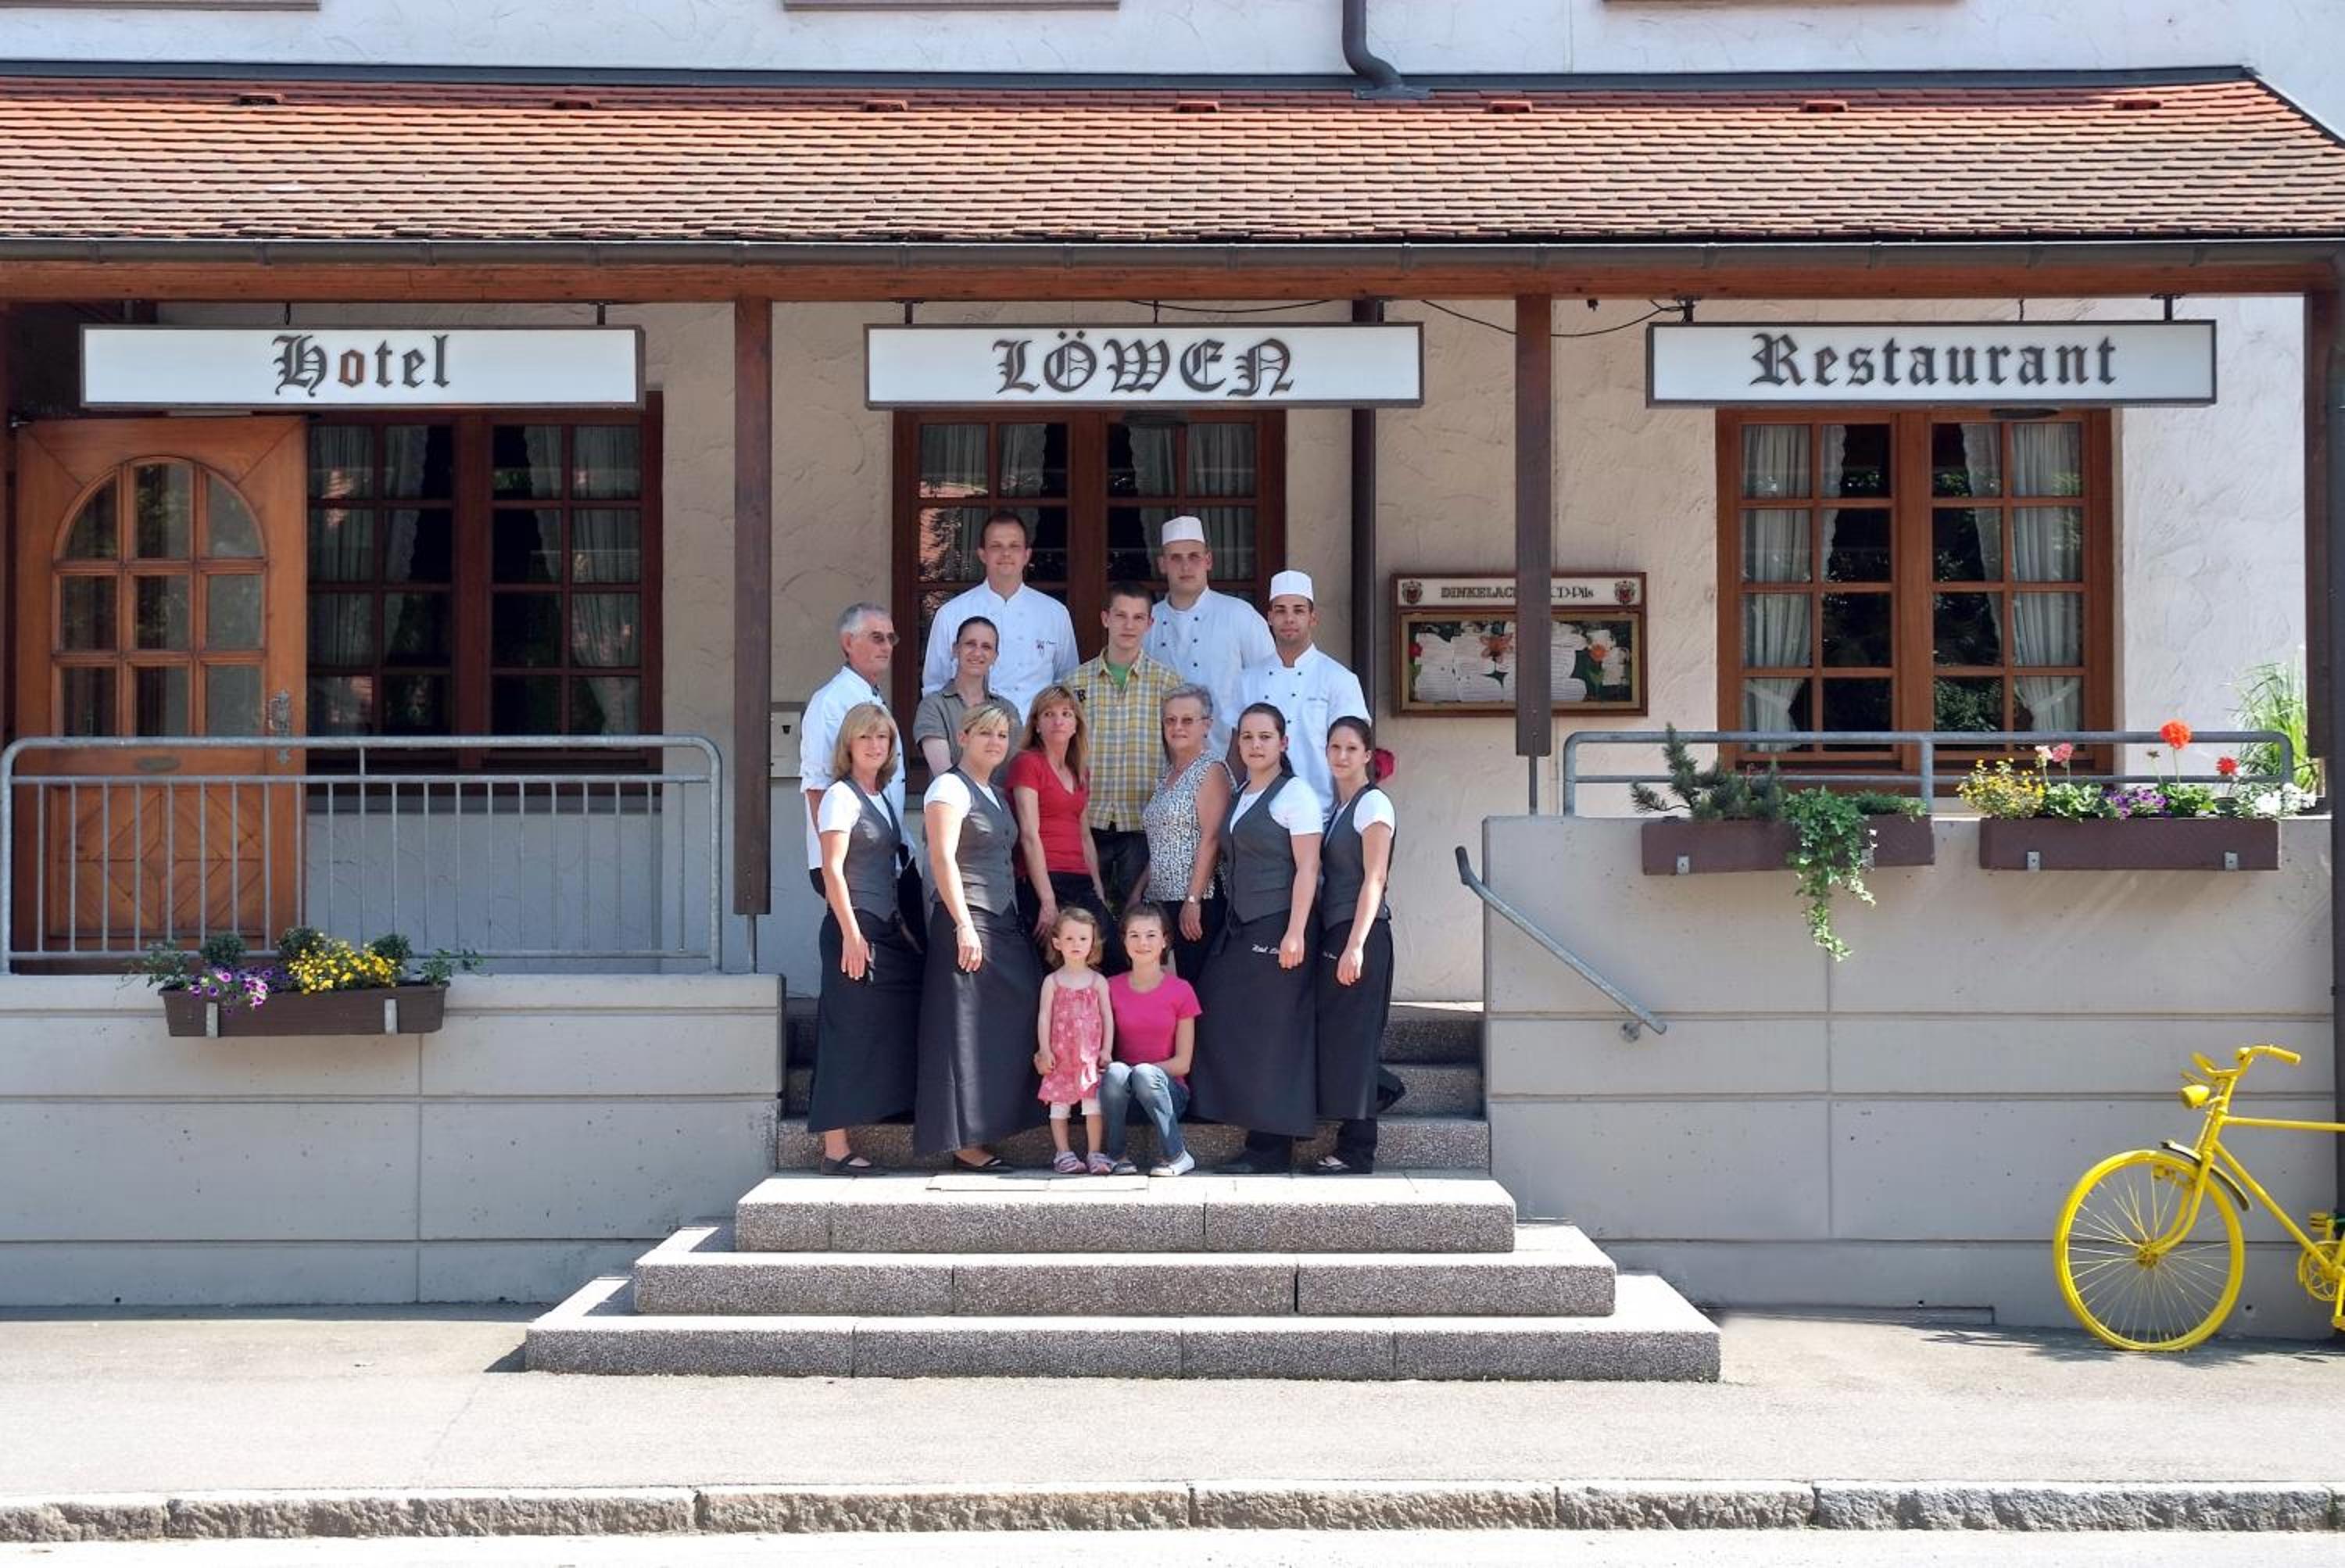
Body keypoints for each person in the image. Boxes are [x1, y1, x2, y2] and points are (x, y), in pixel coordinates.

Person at [1190, 702, 1323, 1174]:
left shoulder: (1297, 794)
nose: (1255, 745)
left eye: (1265, 737)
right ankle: (1230, 1110)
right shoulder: (1243, 792)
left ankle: (1269, 1147)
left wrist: (1295, 932)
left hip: (1280, 922)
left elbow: (1308, 867)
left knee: (1275, 1031)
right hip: (1242, 923)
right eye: (1247, 737)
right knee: (1218, 1008)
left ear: (1283, 743)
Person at [915, 699, 1044, 1170]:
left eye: (1002, 736)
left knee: (1018, 1008)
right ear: (963, 737)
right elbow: (942, 858)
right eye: (985, 733)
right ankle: (964, 1142)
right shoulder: (949, 787)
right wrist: (964, 924)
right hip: (966, 920)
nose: (995, 742)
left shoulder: (993, 791)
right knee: (962, 1031)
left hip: (1001, 918)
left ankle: (998, 1121)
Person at [808, 703, 920, 1176]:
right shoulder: (841, 796)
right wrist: (852, 934)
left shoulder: (880, 797)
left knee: (897, 1016)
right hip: (852, 928)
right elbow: (832, 870)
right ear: (849, 745)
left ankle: (884, 1106)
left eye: (883, 738)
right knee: (845, 1034)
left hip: (883, 927)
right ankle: (835, 1149)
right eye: (866, 737)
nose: (876, 745)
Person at [1309, 717, 1397, 1176]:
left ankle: (1357, 1150)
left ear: (1366, 755)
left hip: (1362, 933)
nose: (1341, 756)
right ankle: (1381, 1090)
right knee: (1338, 1034)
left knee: (1356, 1039)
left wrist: (1356, 944)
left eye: (1350, 748)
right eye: (1334, 748)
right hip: (1337, 930)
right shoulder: (1339, 809)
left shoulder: (1373, 803)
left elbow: (1374, 878)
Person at [1067, 582, 1182, 923]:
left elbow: (1180, 754)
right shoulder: (1075, 683)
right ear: (1106, 619)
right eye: (1120, 616)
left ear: (1150, 623)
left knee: (1142, 924)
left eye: (1138, 618)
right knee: (1086, 924)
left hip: (1143, 824)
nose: (1129, 626)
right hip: (1089, 822)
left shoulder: (1169, 685)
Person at [918, 510, 1077, 727]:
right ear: (982, 554)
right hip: (970, 736)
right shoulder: (951, 614)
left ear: (1027, 555)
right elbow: (935, 686)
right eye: (996, 546)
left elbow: (1066, 684)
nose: (1006, 554)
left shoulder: (1055, 614)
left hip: (1036, 737)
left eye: (1014, 546)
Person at [1238, 569, 1369, 810]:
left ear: (1313, 618)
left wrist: (1348, 815)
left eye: (1298, 610)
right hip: (1258, 813)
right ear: (1269, 618)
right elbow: (1236, 751)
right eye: (1280, 611)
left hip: (1321, 811)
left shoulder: (1340, 679)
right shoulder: (1247, 680)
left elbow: (1353, 757)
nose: (1289, 619)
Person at [1144, 514, 1273, 754]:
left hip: (1229, 758)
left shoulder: (1239, 615)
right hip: (1161, 762)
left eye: (1194, 556)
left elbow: (1268, 688)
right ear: (1162, 564)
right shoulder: (1147, 622)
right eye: (1176, 558)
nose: (1186, 567)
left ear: (1208, 560)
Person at [800, 603, 902, 896]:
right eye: (877, 637)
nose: (887, 646)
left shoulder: (870, 695)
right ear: (848, 642)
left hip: (883, 851)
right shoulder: (830, 701)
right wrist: (837, 868)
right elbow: (817, 785)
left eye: (891, 638)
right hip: (853, 859)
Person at [1006, 684, 1114, 958]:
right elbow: (1029, 834)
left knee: (1113, 953)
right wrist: (1047, 900)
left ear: (1076, 725)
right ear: (1036, 724)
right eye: (1049, 714)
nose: (1058, 721)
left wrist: (1098, 892)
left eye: (1066, 714)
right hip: (1042, 878)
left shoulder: (1080, 772)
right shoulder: (1028, 763)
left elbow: (1085, 836)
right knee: (1056, 960)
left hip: (1080, 879)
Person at [1140, 684, 1233, 984]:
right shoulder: (1168, 774)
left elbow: (1212, 839)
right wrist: (1137, 895)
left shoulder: (1211, 770)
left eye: (1187, 720)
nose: (1177, 727)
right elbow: (1161, 843)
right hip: (1162, 901)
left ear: (1207, 725)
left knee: (1195, 988)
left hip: (1198, 901)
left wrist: (1193, 900)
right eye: (1170, 720)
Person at [1101, 902, 1201, 1177]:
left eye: (1151, 935)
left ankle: (1177, 1155)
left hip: (1167, 1092)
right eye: (1134, 935)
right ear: (1124, 941)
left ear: (1165, 940)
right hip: (1123, 1095)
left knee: (1144, 1074)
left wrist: (1140, 1073)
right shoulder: (1109, 987)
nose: (1142, 943)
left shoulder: (1181, 991)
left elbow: (1182, 1063)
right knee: (1115, 1072)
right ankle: (1117, 1155)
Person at [1033, 907, 1115, 1176]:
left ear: (1093, 942)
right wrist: (1044, 1050)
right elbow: (1044, 1016)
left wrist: (1107, 1050)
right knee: (1059, 1106)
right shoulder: (1053, 981)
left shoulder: (1098, 981)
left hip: (1089, 1057)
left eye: (1083, 938)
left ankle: (1094, 1152)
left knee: (1093, 1105)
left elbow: (1108, 1017)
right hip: (1060, 1056)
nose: (1076, 944)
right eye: (1069, 938)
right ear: (1057, 943)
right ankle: (1063, 1153)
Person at [911, 615, 1012, 774]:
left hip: (1000, 792)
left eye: (986, 647)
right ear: (956, 649)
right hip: (952, 791)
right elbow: (944, 775)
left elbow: (1017, 767)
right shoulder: (934, 706)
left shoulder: (1007, 709)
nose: (977, 652)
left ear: (995, 657)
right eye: (970, 644)